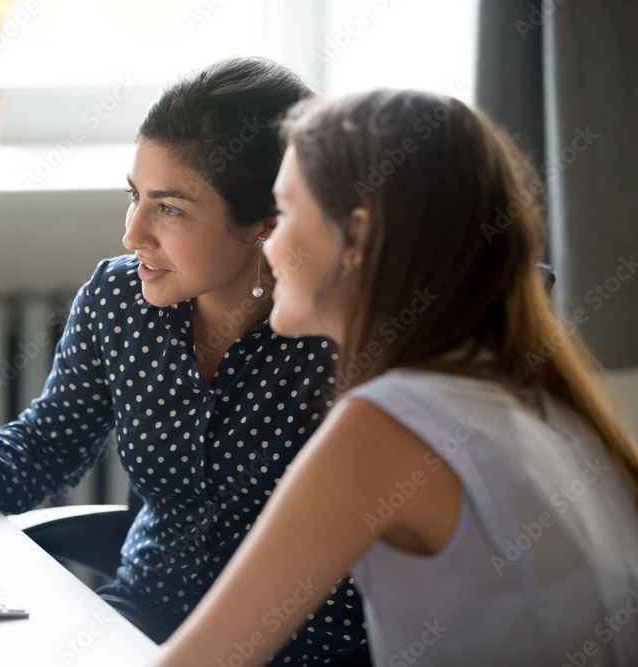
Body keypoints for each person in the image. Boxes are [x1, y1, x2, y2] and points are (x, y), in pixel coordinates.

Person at [0, 57, 370, 665]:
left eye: (170, 208)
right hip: (142, 618)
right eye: (135, 196)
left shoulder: (339, 338)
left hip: (305, 650)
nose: (133, 234)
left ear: (266, 223)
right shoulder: (121, 299)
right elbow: (49, 442)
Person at [154, 88, 638, 666]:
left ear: (355, 238)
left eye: (283, 213)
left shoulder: (382, 429)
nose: (269, 241)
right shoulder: (530, 398)